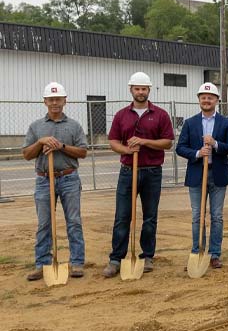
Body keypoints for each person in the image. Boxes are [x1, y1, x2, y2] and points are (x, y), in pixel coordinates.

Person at [102, 72, 175, 277]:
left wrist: (143, 142)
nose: (140, 92)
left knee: (150, 216)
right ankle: (116, 258)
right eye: (137, 88)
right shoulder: (121, 115)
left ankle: (147, 255)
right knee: (122, 216)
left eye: (144, 88)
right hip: (128, 171)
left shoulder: (160, 115)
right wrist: (126, 150)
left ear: (148, 90)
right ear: (131, 90)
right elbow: (114, 141)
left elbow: (167, 142)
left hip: (152, 172)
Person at [22, 82, 89, 281]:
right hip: (44, 180)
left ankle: (76, 262)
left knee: (74, 222)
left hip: (69, 178)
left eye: (58, 99)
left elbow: (83, 152)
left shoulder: (74, 126)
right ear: (45, 101)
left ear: (64, 101)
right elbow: (26, 154)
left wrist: (61, 146)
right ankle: (42, 263)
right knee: (44, 224)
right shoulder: (36, 127)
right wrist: (41, 142)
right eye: (51, 99)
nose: (54, 103)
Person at [175, 82, 228, 270]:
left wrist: (216, 144)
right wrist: (197, 153)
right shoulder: (190, 123)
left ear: (217, 100)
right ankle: (197, 252)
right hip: (197, 174)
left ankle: (215, 254)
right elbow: (180, 147)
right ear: (199, 100)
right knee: (197, 215)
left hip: (218, 174)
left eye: (210, 97)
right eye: (203, 97)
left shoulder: (225, 123)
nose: (206, 100)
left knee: (217, 216)